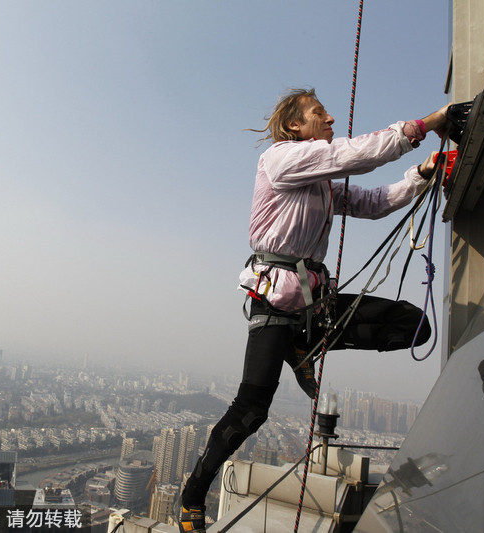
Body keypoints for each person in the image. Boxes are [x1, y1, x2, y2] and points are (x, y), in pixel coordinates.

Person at [178, 88, 448, 533]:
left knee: (413, 326)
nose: (330, 119)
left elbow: (374, 202)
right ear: (294, 127)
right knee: (251, 409)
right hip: (275, 301)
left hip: (313, 304)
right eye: (318, 114)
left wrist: (421, 174)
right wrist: (423, 125)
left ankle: (305, 346)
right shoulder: (280, 161)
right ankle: (193, 495)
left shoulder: (321, 181)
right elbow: (349, 154)